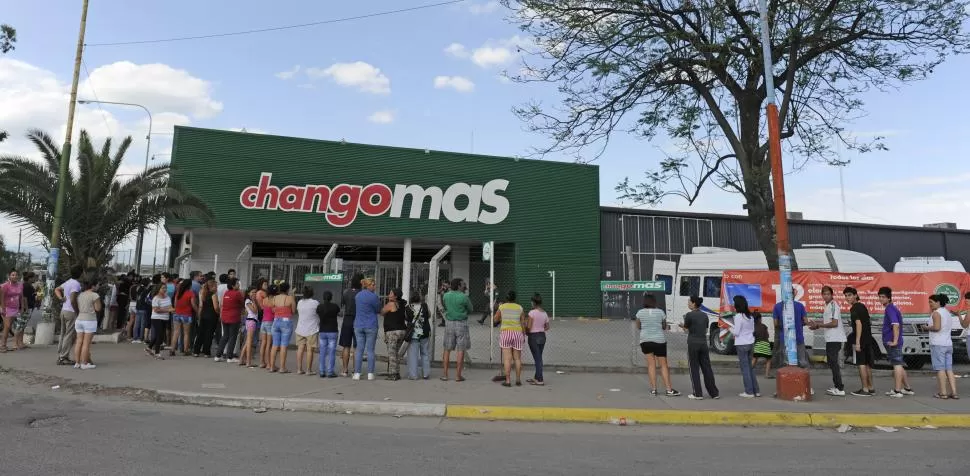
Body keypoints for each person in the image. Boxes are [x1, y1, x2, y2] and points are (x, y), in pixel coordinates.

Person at [635, 294, 680, 396]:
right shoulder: (660, 312)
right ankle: (669, 390)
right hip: (659, 340)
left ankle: (654, 389)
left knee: (651, 364)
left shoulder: (640, 313)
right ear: (654, 302)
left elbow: (638, 326)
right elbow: (664, 326)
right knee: (663, 365)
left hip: (645, 340)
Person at [808, 286, 847, 396]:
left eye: (828, 294)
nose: (826, 296)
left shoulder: (834, 305)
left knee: (834, 363)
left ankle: (839, 388)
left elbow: (834, 323)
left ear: (832, 294)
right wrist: (816, 326)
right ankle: (837, 386)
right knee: (832, 363)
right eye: (824, 294)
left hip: (835, 339)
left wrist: (819, 325)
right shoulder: (828, 306)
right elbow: (827, 323)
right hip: (830, 339)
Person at [680, 296, 718, 400]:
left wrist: (681, 325)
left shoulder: (689, 315)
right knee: (707, 368)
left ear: (693, 304)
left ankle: (697, 393)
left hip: (693, 344)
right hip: (703, 344)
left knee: (694, 368)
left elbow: (686, 329)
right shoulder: (705, 315)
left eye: (689, 302)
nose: (688, 304)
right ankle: (714, 393)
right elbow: (705, 330)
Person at [879, 287, 914, 398]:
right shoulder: (890, 308)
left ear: (889, 298)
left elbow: (896, 325)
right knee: (899, 364)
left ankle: (897, 391)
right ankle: (907, 388)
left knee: (897, 365)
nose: (881, 299)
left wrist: (894, 341)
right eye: (879, 297)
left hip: (893, 342)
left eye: (883, 297)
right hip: (893, 341)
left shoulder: (890, 309)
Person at [925, 294, 957, 399]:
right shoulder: (947, 313)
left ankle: (943, 392)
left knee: (940, 369)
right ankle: (954, 392)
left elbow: (937, 327)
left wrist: (926, 328)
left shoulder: (936, 313)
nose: (929, 304)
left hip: (938, 344)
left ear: (938, 302)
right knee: (949, 369)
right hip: (948, 343)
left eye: (931, 302)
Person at [845, 287, 876, 397]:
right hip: (868, 339)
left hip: (861, 340)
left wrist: (857, 342)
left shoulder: (854, 308)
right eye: (846, 296)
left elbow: (859, 324)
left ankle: (865, 389)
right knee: (867, 364)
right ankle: (871, 387)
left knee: (861, 364)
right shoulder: (862, 306)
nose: (847, 298)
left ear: (855, 295)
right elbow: (866, 322)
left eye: (849, 295)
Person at [441, 278, 473, 382]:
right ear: (459, 286)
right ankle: (458, 376)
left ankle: (445, 375)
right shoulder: (464, 297)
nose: (464, 286)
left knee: (447, 349)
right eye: (463, 284)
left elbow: (445, 307)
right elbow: (470, 309)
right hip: (461, 324)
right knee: (461, 349)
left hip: (449, 323)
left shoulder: (446, 295)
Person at [728, 295, 759, 398]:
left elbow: (736, 333)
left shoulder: (738, 316)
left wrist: (729, 329)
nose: (733, 305)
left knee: (745, 369)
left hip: (741, 344)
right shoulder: (750, 316)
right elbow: (752, 330)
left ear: (737, 305)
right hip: (750, 343)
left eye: (734, 303)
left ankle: (749, 392)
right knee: (750, 368)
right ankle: (756, 391)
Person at [493, 291, 526, 387]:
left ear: (506, 298)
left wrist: (498, 310)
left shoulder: (502, 307)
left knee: (507, 359)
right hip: (517, 333)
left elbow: (495, 319)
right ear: (515, 298)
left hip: (506, 333)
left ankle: (507, 380)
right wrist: (523, 335)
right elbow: (523, 322)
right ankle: (518, 380)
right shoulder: (520, 308)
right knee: (517, 358)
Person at [772, 289, 810, 370]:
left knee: (786, 362)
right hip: (798, 337)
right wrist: (798, 324)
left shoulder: (777, 306)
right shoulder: (800, 306)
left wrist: (785, 326)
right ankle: (802, 380)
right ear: (793, 294)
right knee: (802, 361)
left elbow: (775, 324)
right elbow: (806, 321)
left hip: (785, 339)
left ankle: (788, 381)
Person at [353, 278, 381, 381]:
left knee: (359, 350)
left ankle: (357, 373)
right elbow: (378, 309)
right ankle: (370, 373)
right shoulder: (374, 297)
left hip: (358, 325)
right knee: (370, 350)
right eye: (373, 285)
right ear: (368, 286)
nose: (374, 286)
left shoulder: (357, 296)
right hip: (371, 325)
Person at [55, 265, 84, 365]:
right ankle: (63, 357)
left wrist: (61, 298)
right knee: (69, 335)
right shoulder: (76, 284)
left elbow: (57, 289)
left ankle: (61, 354)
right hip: (71, 311)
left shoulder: (68, 282)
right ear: (81, 273)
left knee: (63, 333)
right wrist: (77, 311)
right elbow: (73, 299)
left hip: (64, 310)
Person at [71, 280, 101, 369]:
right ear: (93, 286)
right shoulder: (95, 295)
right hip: (90, 320)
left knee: (79, 341)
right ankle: (84, 363)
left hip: (79, 319)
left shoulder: (80, 295)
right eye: (98, 285)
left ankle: (77, 362)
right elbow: (98, 308)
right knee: (86, 343)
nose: (98, 286)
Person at [268, 282, 296, 373]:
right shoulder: (290, 298)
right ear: (287, 289)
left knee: (275, 345)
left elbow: (272, 309)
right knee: (283, 345)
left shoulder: (275, 298)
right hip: (286, 322)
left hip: (276, 322)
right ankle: (282, 368)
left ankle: (272, 367)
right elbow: (293, 311)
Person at [381, 288, 408, 381]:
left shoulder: (391, 304)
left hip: (393, 331)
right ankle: (396, 372)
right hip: (402, 331)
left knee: (392, 353)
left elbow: (382, 312)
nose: (389, 294)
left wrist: (387, 303)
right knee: (396, 353)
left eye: (391, 293)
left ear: (395, 296)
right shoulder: (402, 304)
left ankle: (393, 373)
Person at [216, 278, 245, 364]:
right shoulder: (237, 293)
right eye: (237, 284)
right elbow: (242, 303)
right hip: (234, 318)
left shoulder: (226, 293)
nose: (238, 285)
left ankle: (218, 355)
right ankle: (230, 357)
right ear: (233, 285)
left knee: (225, 336)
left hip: (225, 317)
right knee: (233, 337)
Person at [406, 292, 432, 380]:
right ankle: (426, 374)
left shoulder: (408, 307)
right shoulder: (424, 306)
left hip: (413, 334)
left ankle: (413, 375)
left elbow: (406, 319)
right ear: (419, 298)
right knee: (425, 353)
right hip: (424, 333)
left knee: (413, 355)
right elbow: (429, 315)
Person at [295, 286, 321, 375]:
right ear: (312, 293)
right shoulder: (315, 303)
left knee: (300, 349)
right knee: (310, 350)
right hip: (312, 329)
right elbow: (319, 313)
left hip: (300, 328)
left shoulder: (299, 302)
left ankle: (299, 369)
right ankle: (308, 370)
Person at [339, 275, 362, 377]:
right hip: (358, 319)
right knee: (357, 347)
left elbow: (342, 305)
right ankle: (355, 370)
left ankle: (344, 370)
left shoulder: (346, 292)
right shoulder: (362, 293)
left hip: (347, 319)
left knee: (346, 346)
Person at [525, 293, 550, 386]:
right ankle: (536, 377)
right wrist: (540, 328)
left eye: (531, 301)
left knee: (538, 359)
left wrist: (526, 331)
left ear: (534, 302)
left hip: (533, 337)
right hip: (542, 336)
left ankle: (540, 379)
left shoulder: (532, 313)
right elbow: (547, 327)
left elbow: (529, 327)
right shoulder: (544, 313)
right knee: (538, 357)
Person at [0, 269, 27, 352]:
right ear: (9, 276)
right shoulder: (5, 286)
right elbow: (2, 298)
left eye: (16, 275)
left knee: (10, 327)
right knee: (7, 327)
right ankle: (2, 346)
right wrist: (3, 309)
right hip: (6, 308)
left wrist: (22, 308)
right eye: (12, 275)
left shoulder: (20, 285)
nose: (15, 276)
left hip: (16, 308)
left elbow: (21, 297)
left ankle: (5, 345)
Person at [170, 278, 197, 357]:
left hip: (177, 314)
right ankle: (185, 350)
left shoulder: (178, 293)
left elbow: (175, 304)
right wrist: (198, 311)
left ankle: (172, 350)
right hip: (187, 315)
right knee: (186, 333)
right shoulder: (191, 293)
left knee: (176, 332)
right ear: (190, 285)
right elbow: (193, 305)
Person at [317, 290, 341, 378]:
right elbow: (338, 312)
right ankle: (330, 371)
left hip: (322, 331)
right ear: (331, 298)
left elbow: (318, 313)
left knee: (322, 352)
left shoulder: (319, 307)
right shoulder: (335, 306)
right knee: (331, 352)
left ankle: (322, 371)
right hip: (332, 331)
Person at [194, 278, 220, 357]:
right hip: (212, 316)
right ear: (212, 287)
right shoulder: (213, 295)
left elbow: (201, 306)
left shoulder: (203, 294)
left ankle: (196, 351)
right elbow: (216, 307)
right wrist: (219, 313)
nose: (217, 288)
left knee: (201, 334)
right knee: (209, 334)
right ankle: (206, 352)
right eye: (216, 286)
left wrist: (199, 315)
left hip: (203, 316)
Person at [146, 283, 172, 360]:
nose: (164, 289)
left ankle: (149, 348)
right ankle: (157, 353)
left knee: (159, 335)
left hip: (165, 318)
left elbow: (170, 307)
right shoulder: (155, 298)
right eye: (163, 288)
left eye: (165, 288)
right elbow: (156, 310)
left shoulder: (168, 297)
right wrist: (168, 310)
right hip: (156, 318)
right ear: (158, 289)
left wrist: (172, 310)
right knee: (160, 336)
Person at [240, 287, 260, 368]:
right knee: (249, 342)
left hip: (252, 321)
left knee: (247, 341)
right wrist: (254, 301)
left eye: (255, 292)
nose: (254, 294)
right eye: (252, 292)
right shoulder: (248, 301)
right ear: (248, 293)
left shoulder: (250, 301)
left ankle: (241, 359)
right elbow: (254, 311)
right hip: (251, 321)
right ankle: (248, 361)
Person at [258, 281, 275, 369]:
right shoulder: (273, 301)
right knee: (269, 343)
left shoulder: (264, 300)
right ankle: (269, 364)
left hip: (263, 322)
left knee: (263, 343)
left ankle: (262, 362)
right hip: (270, 322)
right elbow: (274, 311)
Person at [752, 313, 772, 377]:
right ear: (759, 319)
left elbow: (753, 337)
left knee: (755, 359)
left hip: (757, 345)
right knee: (768, 360)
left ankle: (749, 371)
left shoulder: (753, 327)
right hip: (766, 345)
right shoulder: (764, 326)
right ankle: (767, 374)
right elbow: (768, 335)